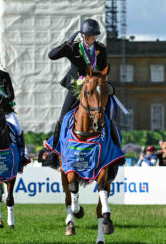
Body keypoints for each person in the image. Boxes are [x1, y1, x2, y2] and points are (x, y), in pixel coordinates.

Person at [48, 19, 119, 152]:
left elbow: (103, 69)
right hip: (77, 87)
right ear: (82, 35)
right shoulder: (74, 47)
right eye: (87, 36)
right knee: (63, 116)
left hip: (94, 87)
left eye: (92, 36)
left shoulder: (101, 49)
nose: (90, 39)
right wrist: (66, 45)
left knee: (108, 115)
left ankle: (115, 148)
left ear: (96, 36)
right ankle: (55, 149)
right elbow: (51, 55)